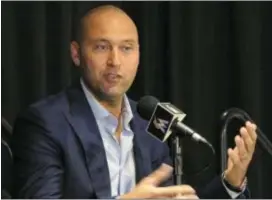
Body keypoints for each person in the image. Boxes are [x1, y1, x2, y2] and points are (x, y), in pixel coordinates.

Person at [10, 5, 257, 199]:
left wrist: (229, 184)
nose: (115, 61)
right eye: (101, 47)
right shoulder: (44, 123)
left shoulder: (151, 120)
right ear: (76, 54)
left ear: (138, 55)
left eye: (126, 48)